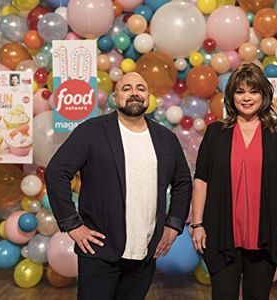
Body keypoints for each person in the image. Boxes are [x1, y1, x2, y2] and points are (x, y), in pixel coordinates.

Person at [45, 72, 192, 300]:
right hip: (99, 251)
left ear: (148, 97)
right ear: (115, 97)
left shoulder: (165, 138)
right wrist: (71, 224)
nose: (134, 93)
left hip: (145, 252)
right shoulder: (92, 131)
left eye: (140, 88)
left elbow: (183, 182)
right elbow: (56, 172)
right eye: (126, 88)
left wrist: (173, 224)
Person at [191, 63, 277, 300]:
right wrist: (197, 225)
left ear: (264, 94)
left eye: (253, 91)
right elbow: (201, 180)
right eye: (240, 92)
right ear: (231, 96)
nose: (247, 98)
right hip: (221, 235)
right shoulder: (215, 132)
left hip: (266, 235)